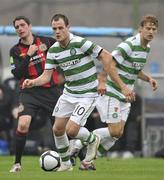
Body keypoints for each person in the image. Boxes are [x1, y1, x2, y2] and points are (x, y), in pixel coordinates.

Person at [23, 13, 112, 171]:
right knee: (57, 129)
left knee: (71, 130)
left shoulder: (80, 42)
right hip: (69, 93)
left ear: (68, 28)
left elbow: (106, 56)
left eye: (60, 28)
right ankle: (65, 164)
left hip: (88, 93)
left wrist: (102, 80)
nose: (57, 31)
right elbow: (46, 77)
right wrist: (33, 82)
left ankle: (92, 139)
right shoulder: (53, 50)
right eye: (54, 29)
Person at [70, 14, 159, 163]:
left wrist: (149, 79)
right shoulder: (129, 45)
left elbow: (134, 69)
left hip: (125, 94)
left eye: (154, 29)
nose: (151, 31)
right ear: (141, 29)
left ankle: (87, 161)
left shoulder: (146, 48)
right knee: (114, 131)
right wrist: (103, 81)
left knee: (117, 134)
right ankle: (78, 143)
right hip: (113, 91)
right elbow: (109, 62)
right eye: (148, 28)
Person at [9, 16, 61, 173]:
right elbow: (17, 74)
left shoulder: (47, 42)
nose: (20, 28)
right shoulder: (15, 50)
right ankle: (17, 163)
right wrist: (29, 55)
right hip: (29, 92)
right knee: (23, 124)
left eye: (22, 25)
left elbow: (62, 57)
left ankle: (80, 159)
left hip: (50, 91)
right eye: (17, 27)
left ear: (30, 26)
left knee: (61, 128)